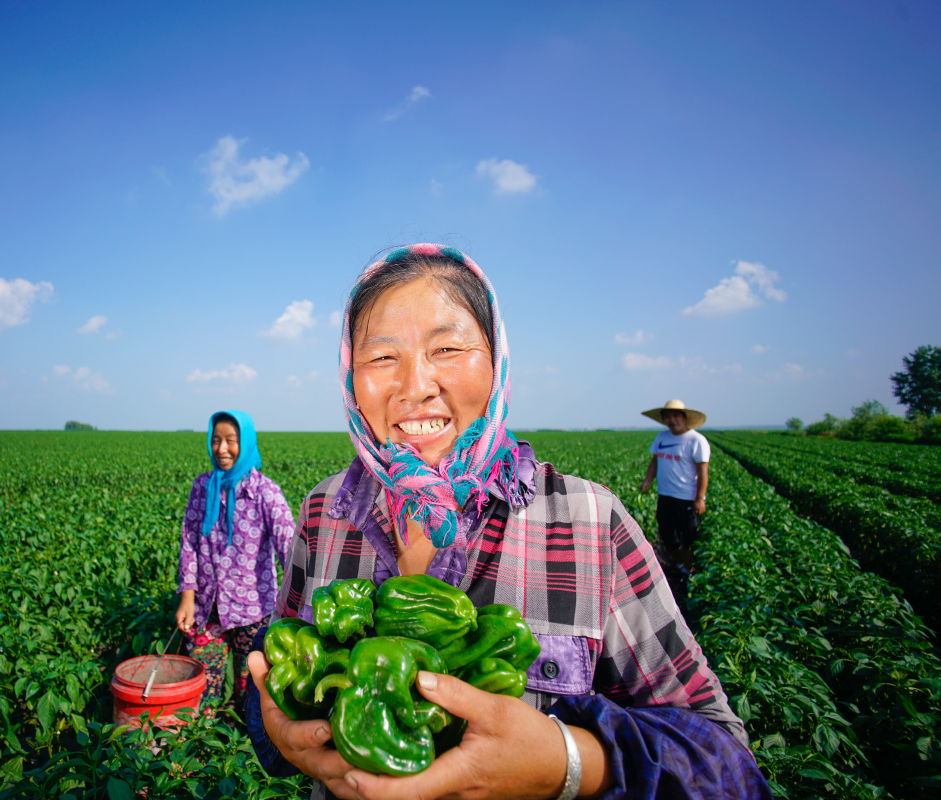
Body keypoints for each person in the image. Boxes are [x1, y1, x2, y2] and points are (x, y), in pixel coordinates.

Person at [245, 244, 769, 800]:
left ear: (495, 362)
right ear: (351, 376)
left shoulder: (587, 522)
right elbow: (280, 671)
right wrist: (279, 729)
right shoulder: (325, 510)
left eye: (447, 348)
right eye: (380, 357)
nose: (416, 385)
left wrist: (567, 762)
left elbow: (724, 762)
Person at [176, 410, 296, 708]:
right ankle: (203, 733)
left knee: (251, 692)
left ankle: (241, 734)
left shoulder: (265, 493)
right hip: (206, 608)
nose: (222, 449)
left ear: (246, 442)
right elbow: (189, 542)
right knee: (201, 690)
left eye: (231, 440)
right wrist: (187, 597)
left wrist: (295, 607)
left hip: (253, 610)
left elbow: (290, 550)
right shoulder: (202, 488)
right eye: (216, 440)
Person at [639, 399, 710, 598]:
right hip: (665, 495)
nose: (672, 420)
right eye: (668, 417)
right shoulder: (662, 438)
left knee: (689, 536)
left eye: (675, 416)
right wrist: (648, 480)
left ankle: (688, 571)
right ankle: (680, 564)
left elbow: (703, 472)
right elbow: (654, 462)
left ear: (685, 417)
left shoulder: (696, 441)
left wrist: (699, 498)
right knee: (667, 534)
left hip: (687, 498)